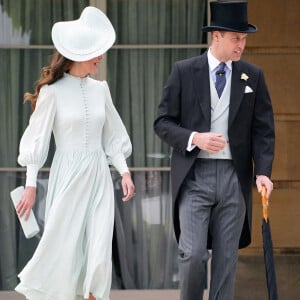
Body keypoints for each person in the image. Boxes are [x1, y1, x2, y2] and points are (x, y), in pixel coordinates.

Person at [154, 1, 275, 299]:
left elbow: (263, 130)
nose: (242, 45)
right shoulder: (184, 71)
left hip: (234, 178)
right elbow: (162, 122)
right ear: (217, 36)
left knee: (226, 260)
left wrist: (262, 172)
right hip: (195, 177)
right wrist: (195, 137)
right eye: (236, 38)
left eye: (245, 38)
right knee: (193, 255)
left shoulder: (252, 76)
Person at [14, 6, 135, 300]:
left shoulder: (101, 89)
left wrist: (124, 171)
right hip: (67, 177)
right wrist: (30, 186)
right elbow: (37, 140)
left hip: (98, 177)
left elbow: (113, 135)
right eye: (96, 52)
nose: (101, 57)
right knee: (64, 249)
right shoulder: (51, 92)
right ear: (80, 53)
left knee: (98, 252)